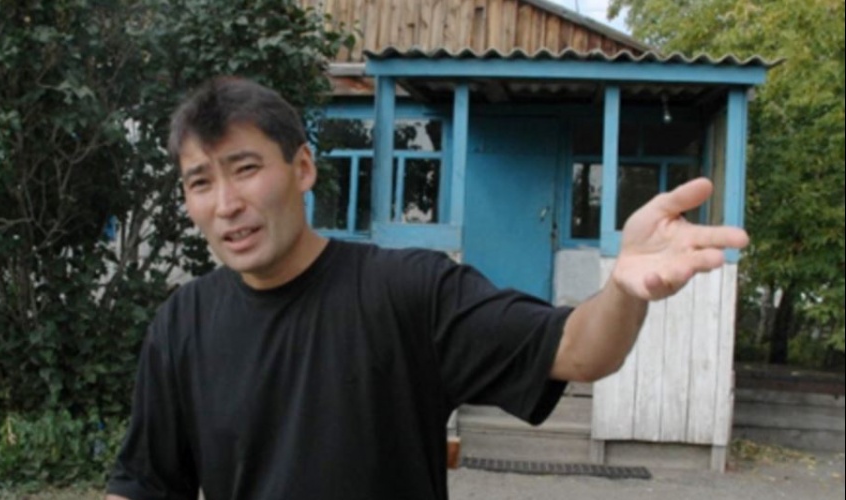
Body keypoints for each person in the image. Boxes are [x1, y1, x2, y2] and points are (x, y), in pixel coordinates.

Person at [105, 77, 749, 500]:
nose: (225, 203)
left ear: (302, 168)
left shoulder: (406, 291)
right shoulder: (183, 323)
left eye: (245, 169)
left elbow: (579, 350)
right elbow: (145, 484)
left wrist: (624, 289)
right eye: (200, 182)